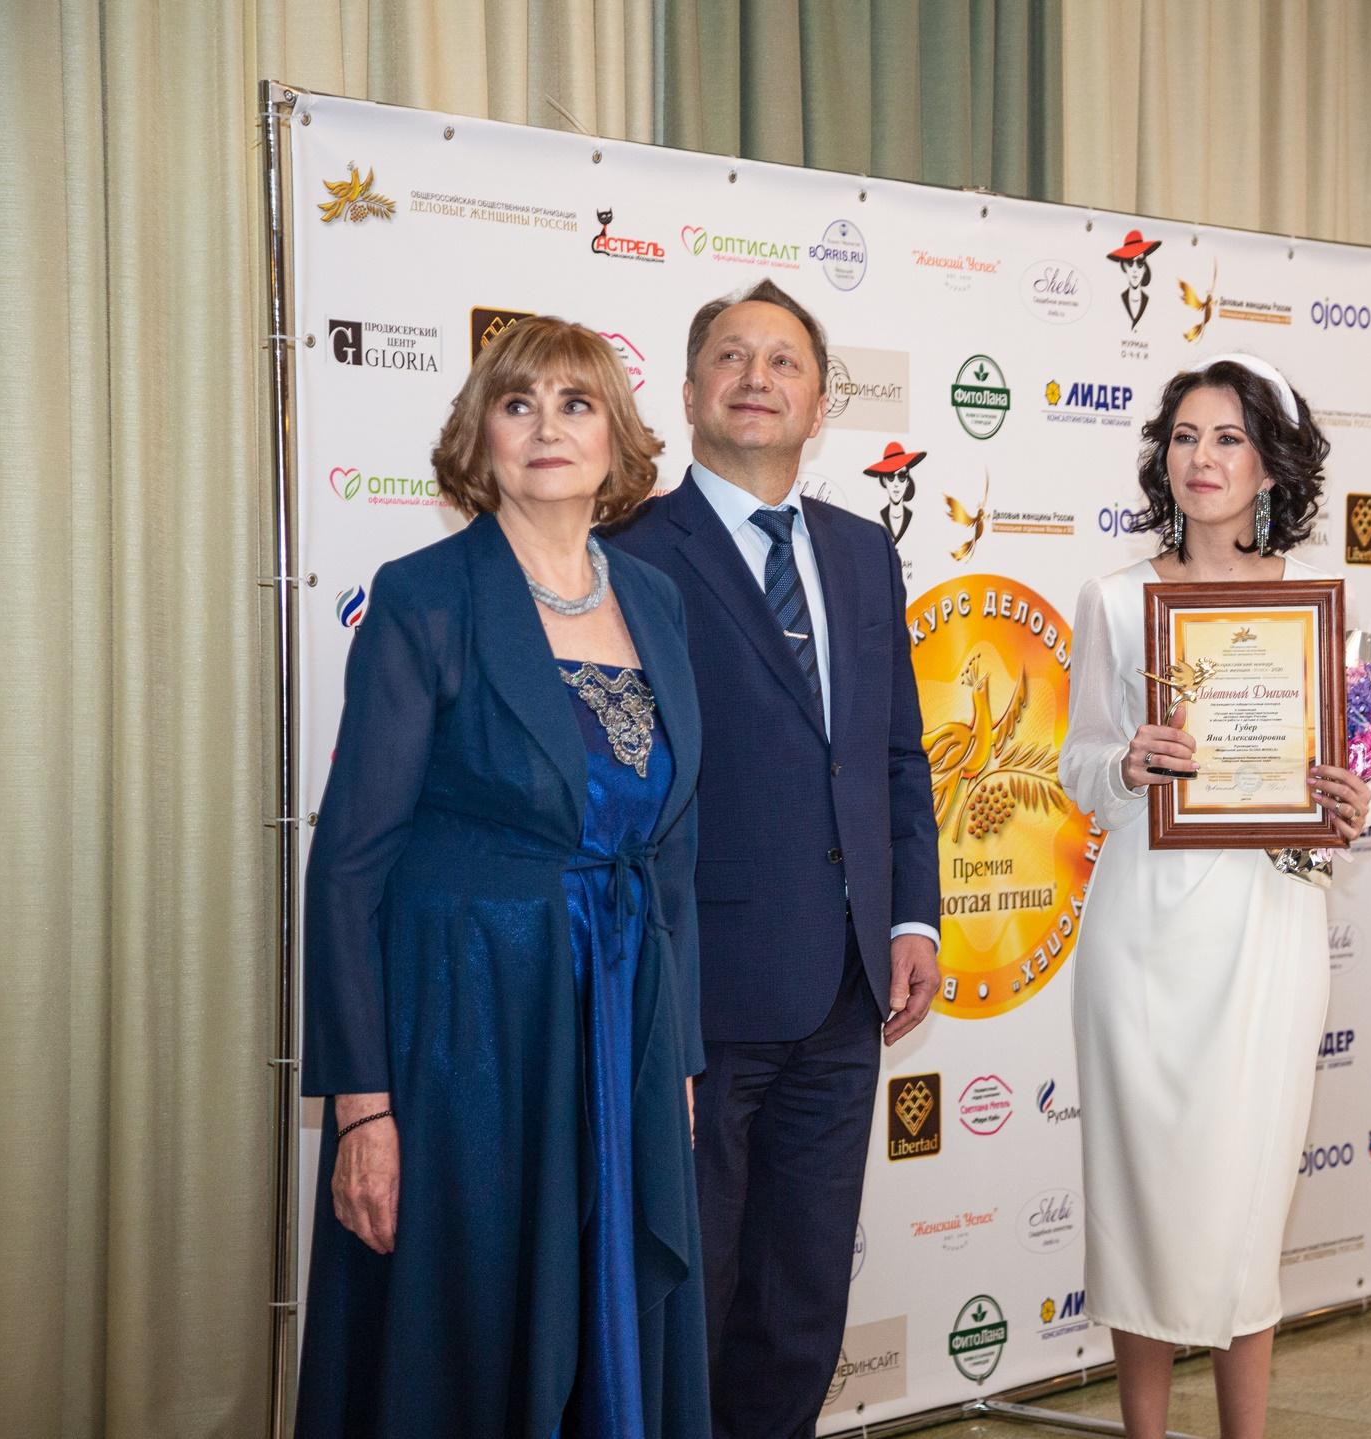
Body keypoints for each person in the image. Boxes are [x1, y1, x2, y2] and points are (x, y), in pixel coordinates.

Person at [297, 316, 710, 1437]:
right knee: (470, 1337)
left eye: (576, 403)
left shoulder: (656, 600)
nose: (545, 428)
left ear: (616, 437)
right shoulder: (426, 595)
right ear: (479, 437)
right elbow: (349, 867)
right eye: (517, 404)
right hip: (471, 1038)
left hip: (621, 1025)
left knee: (613, 1321)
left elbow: (669, 851)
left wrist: (676, 1060)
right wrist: (363, 1106)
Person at [607, 279, 940, 1439]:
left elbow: (894, 751)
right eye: (731, 356)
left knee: (801, 1299)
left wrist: (912, 917)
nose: (757, 377)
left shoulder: (861, 551)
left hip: (844, 991)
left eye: (784, 361)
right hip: (694, 995)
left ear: (819, 403)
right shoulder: (628, 552)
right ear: (688, 389)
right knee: (684, 1294)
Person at [1059, 354, 1371, 1439]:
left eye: (1229, 438)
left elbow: (1351, 779)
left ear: (1270, 466)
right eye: (1186, 436)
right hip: (1141, 930)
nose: (1203, 457)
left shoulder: (1319, 605)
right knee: (1143, 1198)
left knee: (1246, 1201)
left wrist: (1352, 804)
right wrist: (1127, 762)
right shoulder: (1115, 600)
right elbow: (1078, 767)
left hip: (1266, 926)